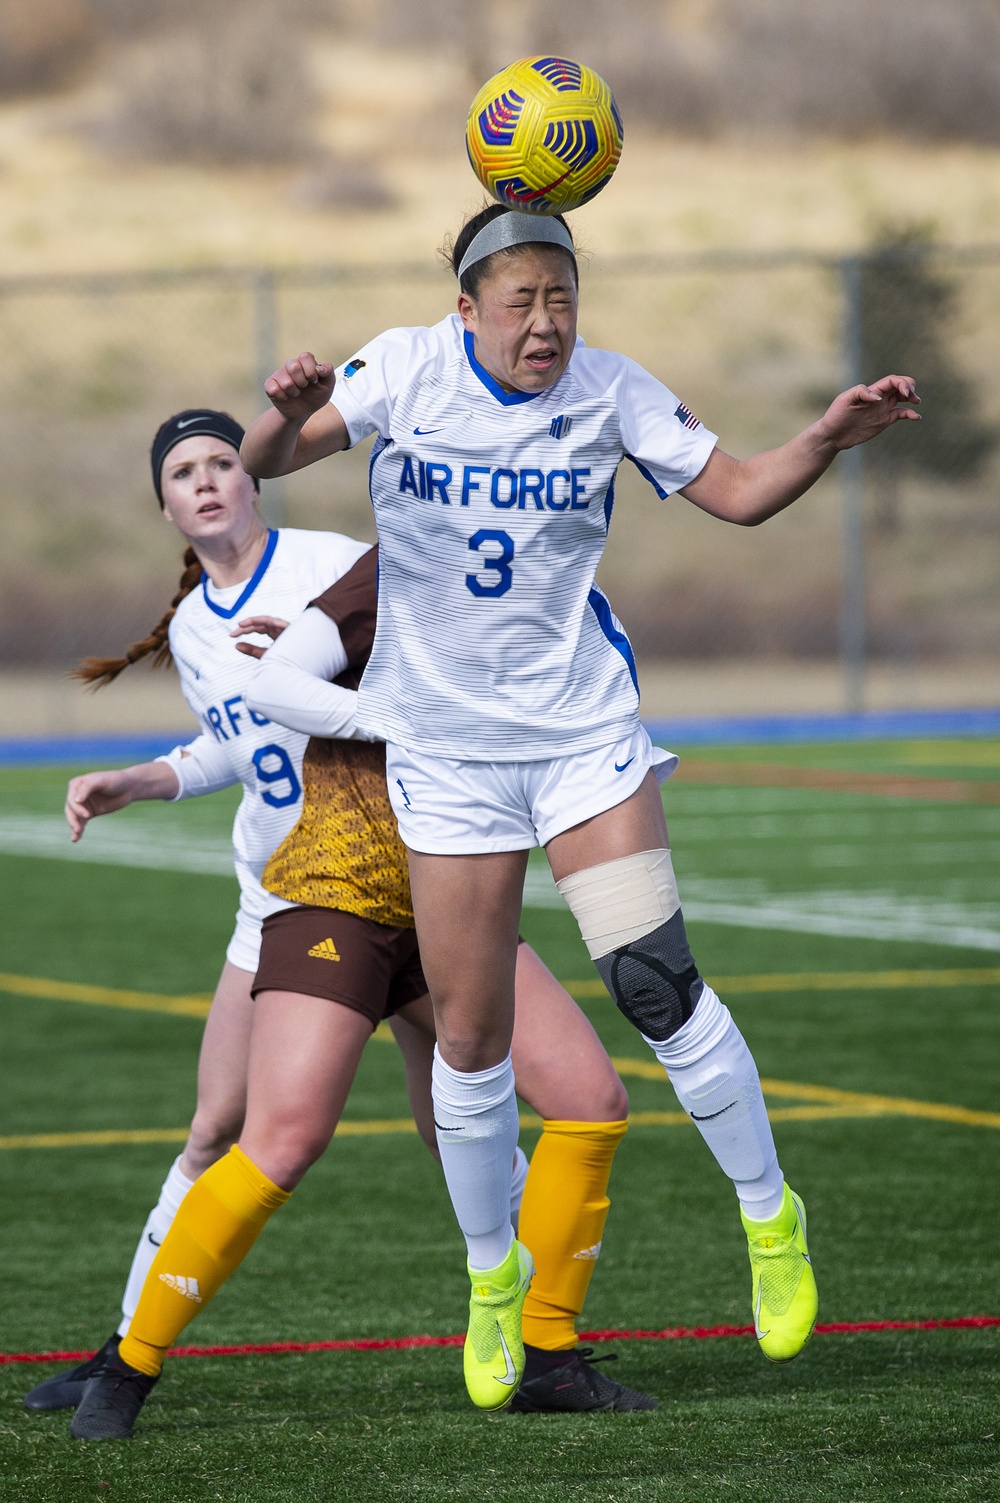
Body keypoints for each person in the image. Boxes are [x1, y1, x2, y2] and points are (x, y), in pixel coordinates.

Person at [239, 201, 921, 1410]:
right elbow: (270, 461)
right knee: (468, 1036)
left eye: (562, 298)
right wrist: (286, 414)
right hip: (445, 753)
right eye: (521, 302)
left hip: (580, 739)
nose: (545, 324)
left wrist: (824, 436)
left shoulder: (613, 391)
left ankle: (770, 1222)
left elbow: (746, 491)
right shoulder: (401, 366)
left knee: (653, 979)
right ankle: (492, 1282)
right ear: (467, 309)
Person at [29, 410, 650, 1436]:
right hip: (290, 894)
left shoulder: (336, 565)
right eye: (185, 471)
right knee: (234, 1130)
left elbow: (429, 663)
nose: (209, 481)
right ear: (166, 504)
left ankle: (537, 1342)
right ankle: (126, 1350)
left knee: (471, 1113)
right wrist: (145, 778)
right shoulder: (193, 625)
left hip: (424, 878)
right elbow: (240, 741)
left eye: (224, 460)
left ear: (255, 474)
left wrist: (321, 667)